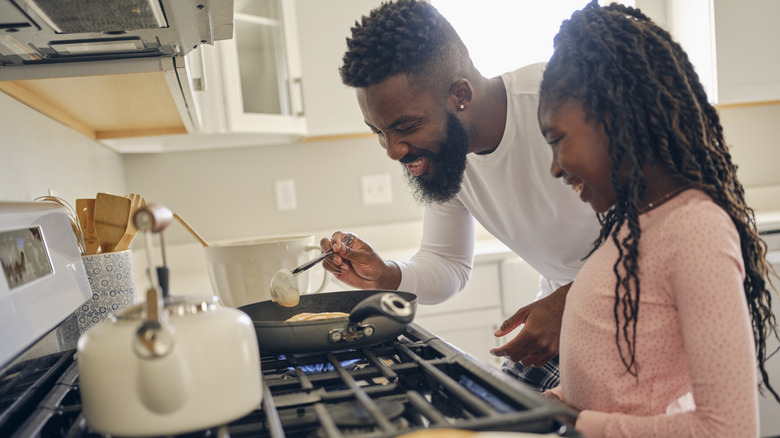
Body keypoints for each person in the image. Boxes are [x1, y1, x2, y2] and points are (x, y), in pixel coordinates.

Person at [320, 0, 601, 391]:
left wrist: (572, 302)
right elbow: (447, 264)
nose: (393, 150)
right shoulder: (447, 158)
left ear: (461, 95)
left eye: (406, 126)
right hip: (569, 308)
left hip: (643, 299)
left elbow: (662, 231)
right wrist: (386, 275)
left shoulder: (563, 105)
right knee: (507, 414)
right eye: (379, 131)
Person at [537, 2, 780, 436]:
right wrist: (557, 404)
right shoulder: (631, 225)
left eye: (557, 139)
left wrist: (580, 423)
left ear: (616, 116)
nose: (555, 167)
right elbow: (624, 386)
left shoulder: (695, 229)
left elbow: (729, 428)